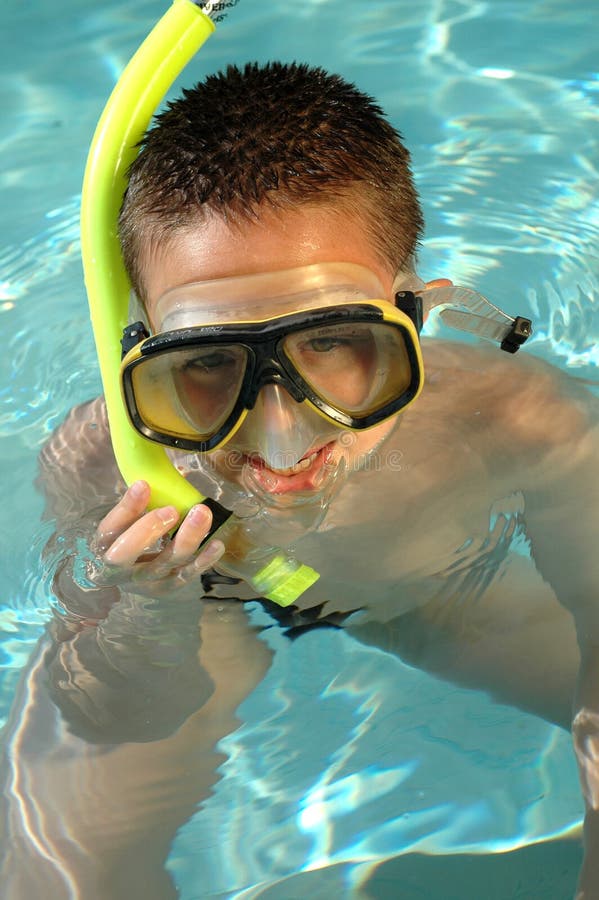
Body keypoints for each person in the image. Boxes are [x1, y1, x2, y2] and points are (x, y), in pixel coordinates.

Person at [1, 61, 597, 899]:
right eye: (206, 364)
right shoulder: (102, 465)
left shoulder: (520, 423)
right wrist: (147, 615)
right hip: (205, 601)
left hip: (425, 593)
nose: (281, 440)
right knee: (47, 872)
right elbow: (119, 712)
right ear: (135, 352)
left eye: (335, 347)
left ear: (416, 317)